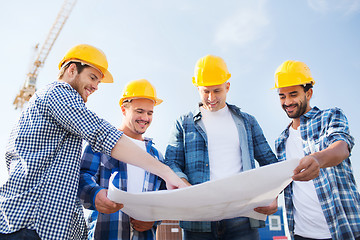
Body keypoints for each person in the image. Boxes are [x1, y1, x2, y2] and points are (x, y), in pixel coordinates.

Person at [0, 44, 186, 240]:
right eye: (92, 77)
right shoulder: (58, 93)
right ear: (72, 69)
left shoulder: (61, 118)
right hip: (29, 224)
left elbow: (64, 181)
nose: (96, 86)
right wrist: (166, 172)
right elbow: (102, 133)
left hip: (42, 227)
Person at [165, 54, 278, 240]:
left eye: (217, 91)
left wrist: (273, 194)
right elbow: (171, 163)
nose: (211, 98)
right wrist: (185, 185)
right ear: (197, 87)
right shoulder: (183, 123)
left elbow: (269, 162)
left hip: (242, 217)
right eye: (205, 91)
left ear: (228, 86)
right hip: (198, 218)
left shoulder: (247, 122)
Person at [272, 60, 360, 240]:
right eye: (282, 96)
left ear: (308, 92)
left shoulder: (330, 116)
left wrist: (318, 159)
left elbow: (342, 146)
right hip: (301, 233)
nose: (287, 101)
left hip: (342, 227)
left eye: (293, 94)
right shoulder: (281, 140)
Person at [78, 79, 165, 240]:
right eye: (139, 111)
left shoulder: (156, 156)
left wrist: (154, 219)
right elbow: (81, 178)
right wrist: (95, 194)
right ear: (124, 109)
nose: (145, 118)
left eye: (149, 113)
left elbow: (163, 197)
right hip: (106, 233)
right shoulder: (101, 144)